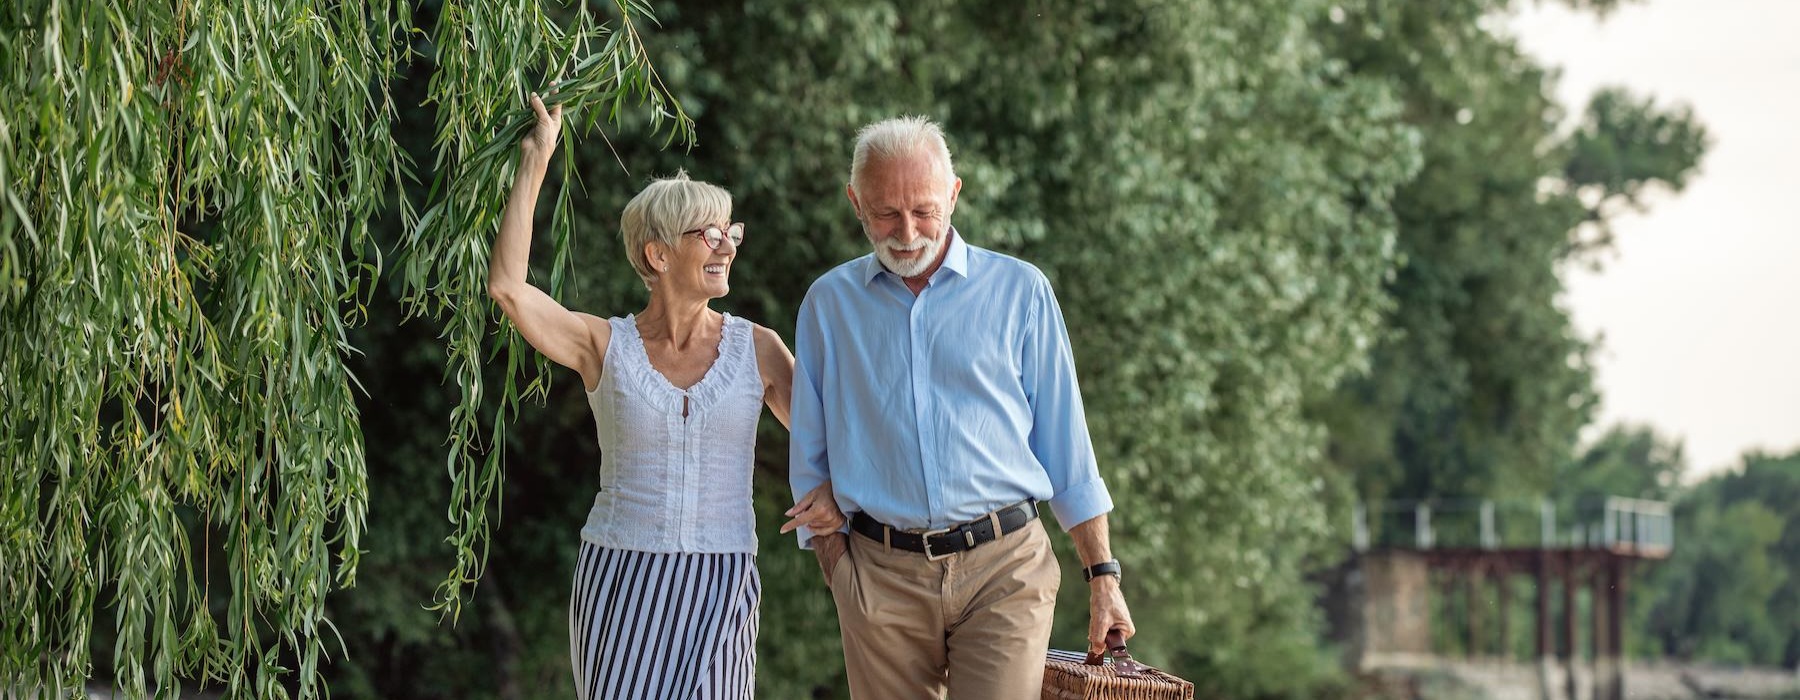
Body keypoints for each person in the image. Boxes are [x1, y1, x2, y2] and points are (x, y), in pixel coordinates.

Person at [487, 93, 844, 700]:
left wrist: (836, 493)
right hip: (620, 577)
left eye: (731, 232)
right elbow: (508, 288)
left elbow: (832, 439)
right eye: (710, 234)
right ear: (658, 254)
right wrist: (537, 159)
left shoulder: (757, 349)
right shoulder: (606, 345)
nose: (728, 245)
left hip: (723, 578)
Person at [788, 115, 1135, 699]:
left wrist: (1103, 578)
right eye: (885, 213)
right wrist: (842, 575)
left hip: (1005, 570)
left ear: (954, 193)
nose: (906, 231)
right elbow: (810, 461)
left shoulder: (1020, 291)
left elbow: (1068, 450)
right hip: (880, 577)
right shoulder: (828, 304)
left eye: (923, 210)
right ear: (855, 203)